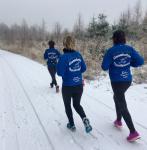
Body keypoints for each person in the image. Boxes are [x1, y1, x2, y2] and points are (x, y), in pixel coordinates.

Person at [101, 30, 144, 142]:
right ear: (124, 38)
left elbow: (104, 67)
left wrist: (112, 63)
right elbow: (140, 61)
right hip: (127, 81)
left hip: (116, 81)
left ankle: (133, 132)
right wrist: (130, 63)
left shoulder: (111, 51)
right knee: (117, 97)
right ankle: (118, 121)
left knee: (121, 103)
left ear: (114, 39)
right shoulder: (129, 49)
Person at [57, 36, 92, 133]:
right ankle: (85, 119)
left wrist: (61, 66)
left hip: (68, 86)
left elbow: (60, 73)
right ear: (74, 44)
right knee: (77, 104)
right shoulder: (78, 55)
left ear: (64, 44)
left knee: (67, 105)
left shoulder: (63, 57)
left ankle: (71, 124)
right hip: (78, 85)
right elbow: (83, 68)